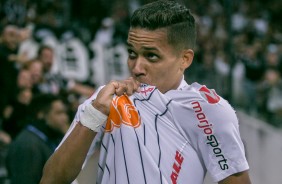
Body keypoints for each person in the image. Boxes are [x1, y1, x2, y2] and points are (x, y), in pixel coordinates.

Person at [40, 1, 251, 184]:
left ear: (185, 59)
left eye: (151, 56)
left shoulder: (208, 110)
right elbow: (51, 180)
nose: (136, 67)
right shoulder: (106, 100)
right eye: (132, 53)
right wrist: (95, 114)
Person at [6, 94, 70, 184]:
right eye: (59, 113)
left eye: (65, 113)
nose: (65, 118)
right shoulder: (28, 145)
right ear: (41, 115)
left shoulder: (47, 138)